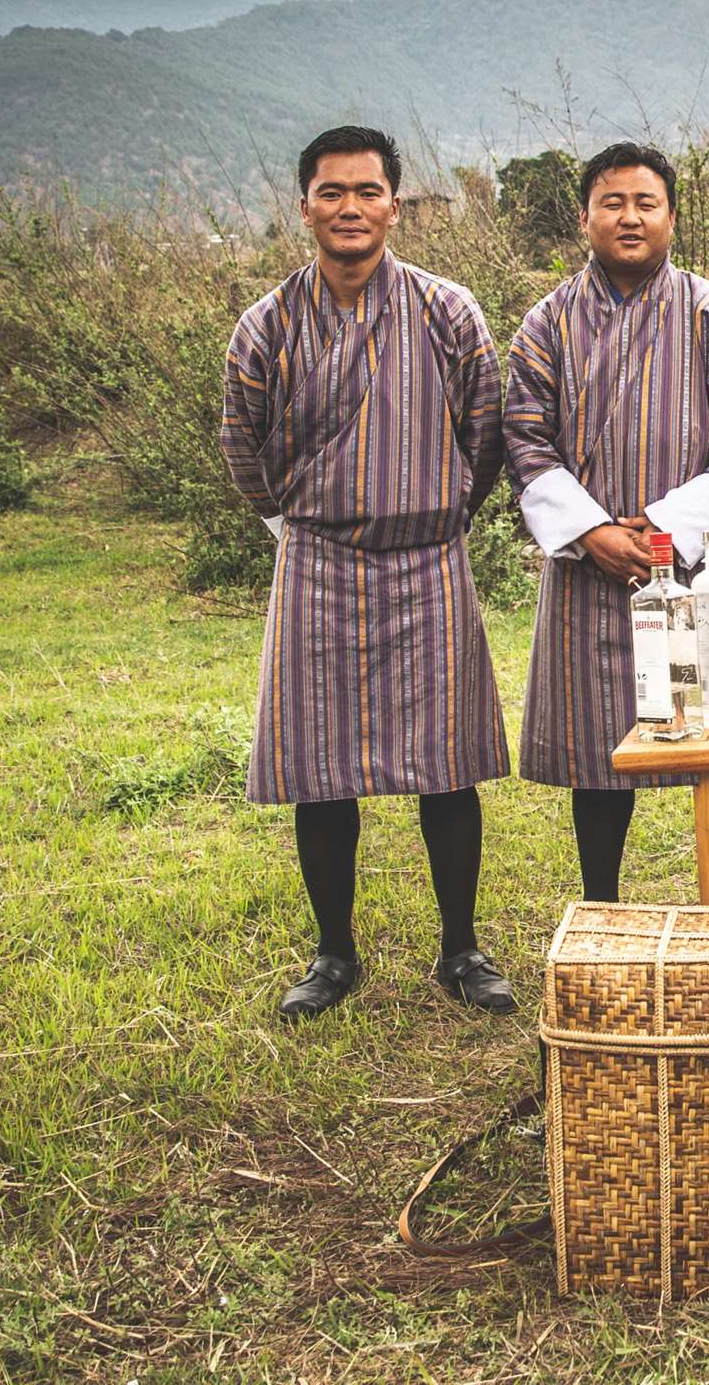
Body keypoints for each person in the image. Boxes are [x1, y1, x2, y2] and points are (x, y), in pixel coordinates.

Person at [219, 125, 517, 1021]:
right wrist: (298, 522)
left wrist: (438, 512)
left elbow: (487, 432)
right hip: (316, 558)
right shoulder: (266, 324)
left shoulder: (445, 310)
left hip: (428, 555)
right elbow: (242, 444)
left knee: (446, 764)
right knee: (320, 768)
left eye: (367, 191)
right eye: (331, 192)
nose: (350, 207)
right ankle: (334, 952)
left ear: (395, 202)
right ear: (304, 204)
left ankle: (460, 947)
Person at [503, 141, 709, 900]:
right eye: (611, 202)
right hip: (589, 566)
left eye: (645, 203)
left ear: (672, 216)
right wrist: (591, 532)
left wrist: (659, 531)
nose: (628, 216)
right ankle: (602, 903)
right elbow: (522, 435)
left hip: (693, 566)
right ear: (584, 216)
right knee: (596, 749)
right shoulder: (547, 320)